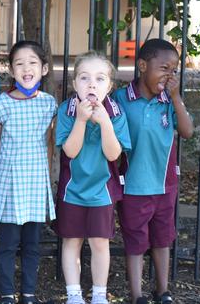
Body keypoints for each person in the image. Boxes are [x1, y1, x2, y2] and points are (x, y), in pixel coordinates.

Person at [113, 39, 194, 304]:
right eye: (164, 68)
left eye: (174, 70)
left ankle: (163, 290)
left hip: (164, 184)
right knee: (135, 241)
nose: (169, 75)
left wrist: (176, 96)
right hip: (134, 185)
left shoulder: (168, 101)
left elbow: (187, 131)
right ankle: (137, 295)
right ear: (142, 66)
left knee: (162, 240)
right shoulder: (122, 99)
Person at [54, 52, 131, 304]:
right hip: (72, 190)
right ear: (75, 83)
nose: (91, 84)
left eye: (99, 79)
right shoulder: (68, 109)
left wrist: (105, 123)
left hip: (102, 191)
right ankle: (73, 294)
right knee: (72, 241)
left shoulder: (115, 112)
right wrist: (81, 120)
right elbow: (70, 151)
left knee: (100, 243)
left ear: (109, 86)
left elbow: (114, 154)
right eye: (84, 78)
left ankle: (99, 294)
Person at [0, 41, 57, 304]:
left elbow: (50, 144)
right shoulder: (3, 103)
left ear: (44, 68)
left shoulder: (49, 103)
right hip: (9, 182)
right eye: (19, 63)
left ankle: (28, 293)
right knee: (6, 244)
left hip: (35, 184)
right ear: (11, 69)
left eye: (32, 63)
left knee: (32, 244)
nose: (26, 68)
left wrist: (48, 176)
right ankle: (6, 293)